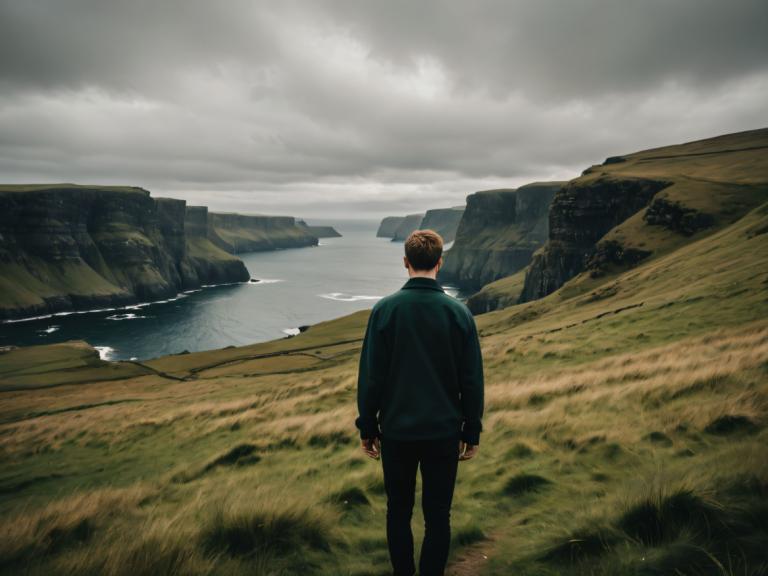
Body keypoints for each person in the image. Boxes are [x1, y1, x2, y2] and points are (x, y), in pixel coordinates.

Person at [354, 228, 485, 576]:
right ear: (440, 263)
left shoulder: (384, 311)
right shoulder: (459, 314)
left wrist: (368, 426)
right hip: (443, 433)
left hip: (396, 433)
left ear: (405, 262)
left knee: (398, 512)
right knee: (438, 515)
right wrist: (471, 430)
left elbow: (371, 377)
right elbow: (471, 380)